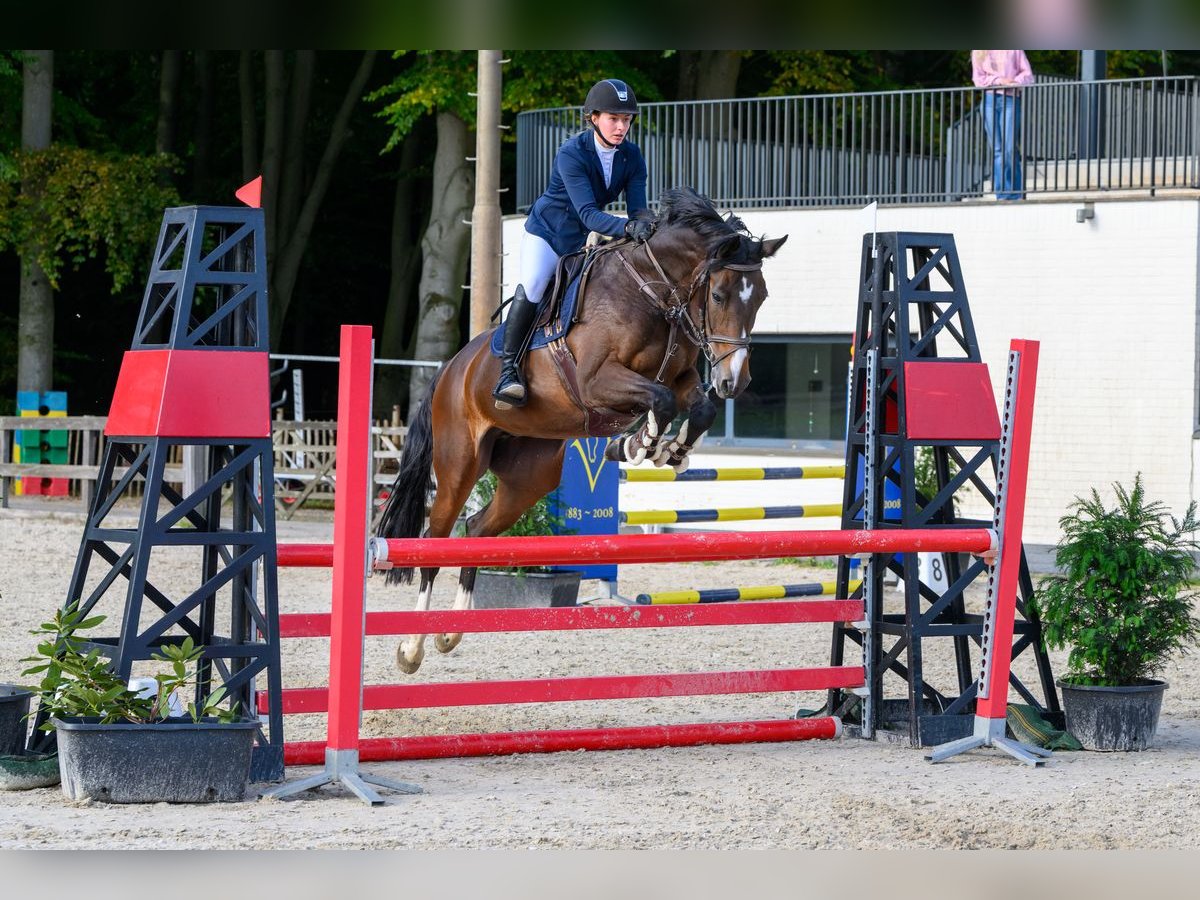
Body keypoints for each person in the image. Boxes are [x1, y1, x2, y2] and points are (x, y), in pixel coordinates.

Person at [493, 78, 654, 409]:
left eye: (626, 119)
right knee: (536, 284)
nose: (621, 126)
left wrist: (653, 228)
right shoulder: (572, 153)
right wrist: (629, 227)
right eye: (613, 118)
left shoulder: (632, 156)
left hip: (579, 242)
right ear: (593, 117)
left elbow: (638, 209)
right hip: (548, 234)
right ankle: (508, 372)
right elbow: (589, 215)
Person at [972, 50, 1034, 201]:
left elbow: (1028, 74)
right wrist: (999, 80)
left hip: (1011, 100)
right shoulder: (979, 51)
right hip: (989, 101)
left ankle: (1015, 193)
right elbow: (978, 79)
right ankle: (1002, 194)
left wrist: (1015, 82)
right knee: (998, 151)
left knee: (1010, 149)